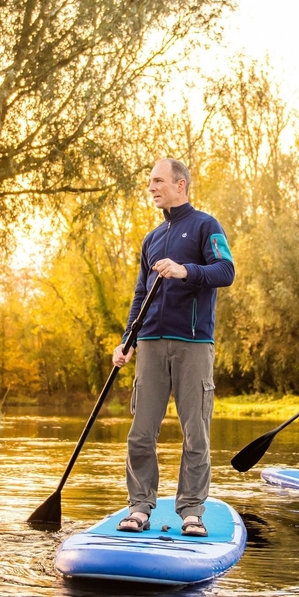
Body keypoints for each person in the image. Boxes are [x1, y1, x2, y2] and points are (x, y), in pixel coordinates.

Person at [112, 158, 234, 536]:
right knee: (140, 432)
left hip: (193, 344)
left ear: (180, 185)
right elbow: (140, 294)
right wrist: (127, 340)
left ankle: (192, 511)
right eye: (150, 181)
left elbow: (225, 271)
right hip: (149, 343)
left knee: (195, 431)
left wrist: (186, 270)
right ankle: (139, 507)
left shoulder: (205, 226)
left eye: (158, 181)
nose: (151, 187)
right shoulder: (151, 238)